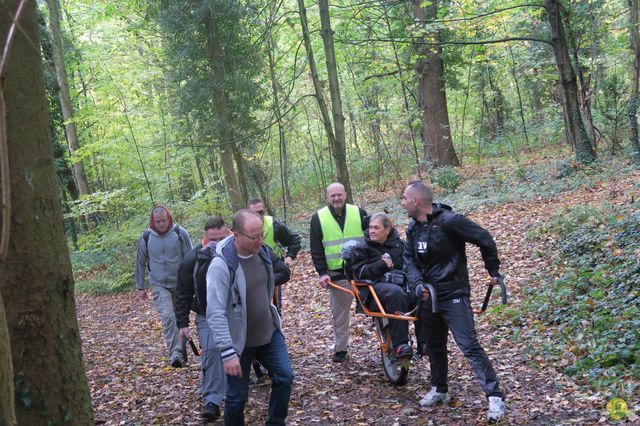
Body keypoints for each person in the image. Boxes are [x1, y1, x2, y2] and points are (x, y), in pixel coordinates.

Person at [401, 181, 506, 423]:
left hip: (453, 294)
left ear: (416, 200)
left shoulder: (450, 221)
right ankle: (440, 389)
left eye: (405, 198)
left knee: (468, 345)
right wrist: (418, 286)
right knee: (433, 345)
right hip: (428, 296)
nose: (402, 202)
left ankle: (495, 397)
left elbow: (484, 238)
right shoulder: (412, 229)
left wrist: (493, 271)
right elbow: (409, 262)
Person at [206, 210, 294, 425]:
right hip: (239, 343)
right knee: (237, 397)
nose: (260, 241)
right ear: (236, 235)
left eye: (261, 235)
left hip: (268, 333)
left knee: (285, 377)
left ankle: (276, 422)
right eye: (254, 237)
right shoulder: (221, 266)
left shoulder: (263, 252)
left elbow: (274, 281)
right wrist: (227, 352)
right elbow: (215, 312)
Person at [175, 216, 230, 421]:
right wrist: (183, 323)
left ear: (229, 233)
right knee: (213, 351)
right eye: (212, 239)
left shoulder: (242, 249)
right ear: (205, 237)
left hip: (239, 313)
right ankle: (212, 400)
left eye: (222, 237)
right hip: (207, 314)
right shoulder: (193, 258)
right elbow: (183, 291)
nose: (217, 243)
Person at [309, 182, 367, 362]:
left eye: (339, 194)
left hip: (362, 270)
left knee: (379, 308)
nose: (336, 198)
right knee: (340, 315)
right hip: (336, 274)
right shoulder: (318, 217)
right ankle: (340, 349)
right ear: (327, 197)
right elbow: (316, 248)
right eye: (333, 195)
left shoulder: (359, 212)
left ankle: (388, 345)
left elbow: (372, 237)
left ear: (345, 194)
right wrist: (322, 272)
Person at [351, 212, 415, 360]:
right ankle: (401, 346)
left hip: (401, 287)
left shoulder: (400, 246)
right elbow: (359, 273)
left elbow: (411, 267)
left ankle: (425, 343)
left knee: (423, 293)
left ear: (387, 230)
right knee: (395, 293)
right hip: (372, 293)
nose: (371, 231)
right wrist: (381, 265)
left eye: (376, 228)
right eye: (370, 227)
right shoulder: (362, 247)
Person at [135, 205, 193, 368]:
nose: (161, 224)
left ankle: (182, 348)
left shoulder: (179, 233)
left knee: (180, 317)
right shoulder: (146, 237)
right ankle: (175, 352)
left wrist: (194, 282)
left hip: (181, 284)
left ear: (169, 218)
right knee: (167, 315)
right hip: (159, 284)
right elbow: (139, 262)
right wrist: (140, 286)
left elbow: (191, 257)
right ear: (153, 221)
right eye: (158, 221)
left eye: (163, 221)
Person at [248, 198, 301, 314]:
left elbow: (294, 240)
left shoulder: (273, 225)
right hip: (250, 276)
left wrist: (289, 256)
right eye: (254, 213)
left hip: (273, 274)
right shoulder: (243, 228)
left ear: (265, 211)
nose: (258, 216)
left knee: (274, 310)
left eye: (260, 212)